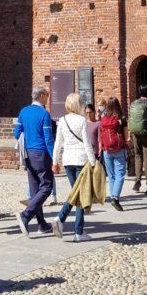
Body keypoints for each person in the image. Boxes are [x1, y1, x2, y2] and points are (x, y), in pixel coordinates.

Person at [51, 93, 96, 241]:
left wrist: (55, 161)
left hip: (68, 160)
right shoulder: (82, 120)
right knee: (80, 196)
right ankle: (75, 229)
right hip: (81, 160)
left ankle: (65, 222)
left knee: (75, 194)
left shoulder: (62, 120)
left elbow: (58, 143)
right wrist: (94, 162)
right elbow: (87, 143)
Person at [13, 85, 54, 237]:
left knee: (36, 190)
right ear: (42, 96)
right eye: (47, 95)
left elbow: (16, 133)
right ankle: (26, 214)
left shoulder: (24, 111)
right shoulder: (44, 114)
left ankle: (42, 224)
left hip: (28, 154)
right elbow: (48, 139)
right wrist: (55, 158)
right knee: (47, 187)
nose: (48, 98)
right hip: (41, 153)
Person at [99, 96, 129, 210]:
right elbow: (126, 137)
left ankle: (113, 196)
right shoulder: (121, 118)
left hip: (106, 150)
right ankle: (115, 198)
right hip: (119, 149)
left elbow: (101, 134)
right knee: (120, 174)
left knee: (111, 175)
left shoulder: (103, 118)